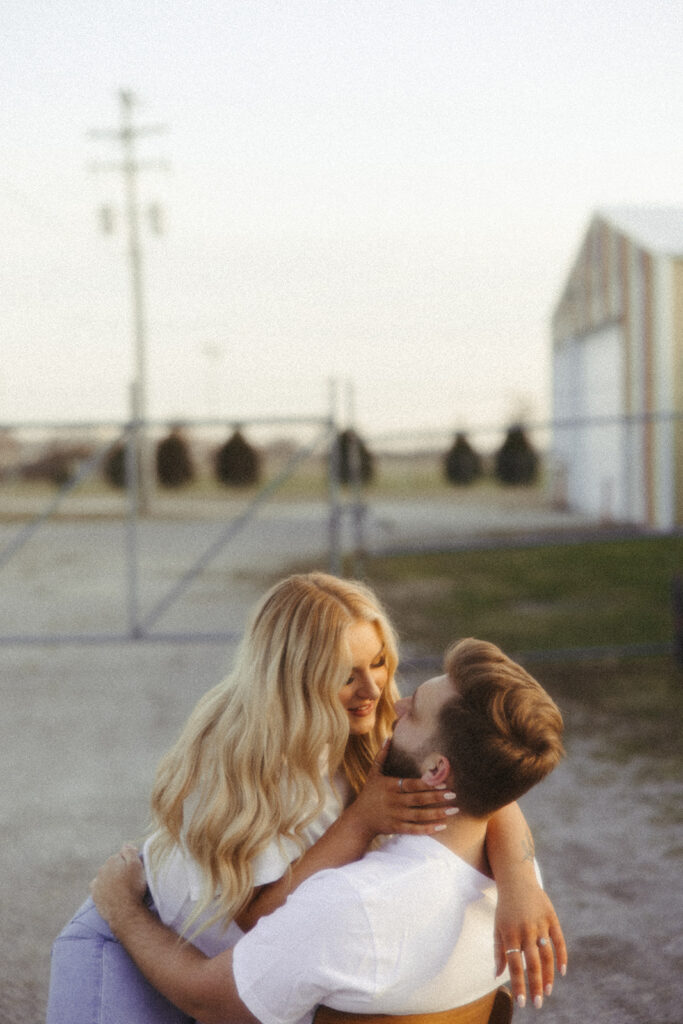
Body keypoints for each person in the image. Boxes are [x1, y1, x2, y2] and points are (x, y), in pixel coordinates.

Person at [47, 574, 562, 1022]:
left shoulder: (378, 728)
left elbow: (477, 784)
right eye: (345, 674)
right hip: (141, 934)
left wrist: (519, 881)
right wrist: (358, 823)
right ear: (295, 679)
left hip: (227, 974)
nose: (376, 689)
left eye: (379, 662)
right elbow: (256, 918)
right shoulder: (245, 760)